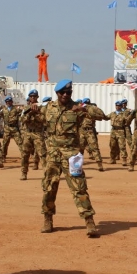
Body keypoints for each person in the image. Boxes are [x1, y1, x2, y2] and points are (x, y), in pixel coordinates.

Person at [27, 79, 99, 236]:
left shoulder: (77, 108)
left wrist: (83, 109)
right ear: (57, 94)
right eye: (62, 92)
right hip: (52, 155)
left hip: (71, 154)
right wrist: (31, 111)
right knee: (49, 188)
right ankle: (47, 219)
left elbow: (102, 116)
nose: (66, 95)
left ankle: (89, 221)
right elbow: (28, 122)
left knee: (79, 187)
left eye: (68, 92)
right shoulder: (48, 108)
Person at [19, 90, 47, 180]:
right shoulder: (26, 108)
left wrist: (36, 113)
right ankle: (24, 173)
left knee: (42, 154)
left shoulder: (41, 108)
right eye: (31, 96)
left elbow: (44, 120)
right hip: (28, 133)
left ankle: (47, 173)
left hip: (38, 133)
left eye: (35, 96)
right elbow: (22, 120)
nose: (33, 98)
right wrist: (29, 114)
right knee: (25, 154)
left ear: (37, 97)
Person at [79, 98, 106, 172]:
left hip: (89, 131)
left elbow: (101, 116)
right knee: (80, 149)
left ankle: (99, 164)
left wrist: (91, 115)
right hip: (82, 131)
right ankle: (78, 165)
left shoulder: (92, 109)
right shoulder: (80, 109)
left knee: (94, 147)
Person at [107, 101, 130, 166]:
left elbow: (127, 122)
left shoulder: (124, 114)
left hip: (120, 130)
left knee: (122, 146)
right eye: (116, 105)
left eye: (119, 106)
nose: (117, 107)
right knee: (112, 145)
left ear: (121, 106)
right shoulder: (112, 113)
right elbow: (106, 117)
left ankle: (124, 159)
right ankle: (112, 158)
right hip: (113, 130)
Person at [0, 96, 23, 162]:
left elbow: (22, 113)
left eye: (9, 101)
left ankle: (23, 156)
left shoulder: (16, 109)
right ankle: (3, 157)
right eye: (7, 102)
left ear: (12, 102)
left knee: (20, 142)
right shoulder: (3, 110)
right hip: (7, 128)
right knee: (5, 143)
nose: (8, 103)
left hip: (14, 128)